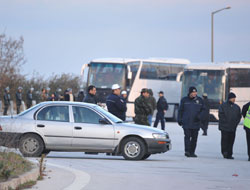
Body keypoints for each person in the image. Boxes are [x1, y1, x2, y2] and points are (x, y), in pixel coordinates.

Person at [178, 86, 205, 158]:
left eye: (195, 92)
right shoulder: (184, 100)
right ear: (189, 93)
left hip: (196, 123)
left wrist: (200, 116)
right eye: (193, 92)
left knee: (194, 138)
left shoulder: (200, 100)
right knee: (187, 137)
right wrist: (179, 119)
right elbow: (180, 111)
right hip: (186, 122)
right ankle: (187, 151)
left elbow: (204, 110)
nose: (194, 94)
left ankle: (192, 152)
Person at [218, 92, 241, 159]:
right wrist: (225, 122)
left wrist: (235, 123)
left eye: (234, 98)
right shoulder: (223, 106)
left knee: (231, 141)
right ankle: (225, 152)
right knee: (224, 140)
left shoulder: (236, 107)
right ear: (229, 98)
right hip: (224, 127)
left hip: (232, 127)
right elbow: (221, 115)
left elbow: (239, 116)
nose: (234, 99)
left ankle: (230, 153)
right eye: (232, 98)